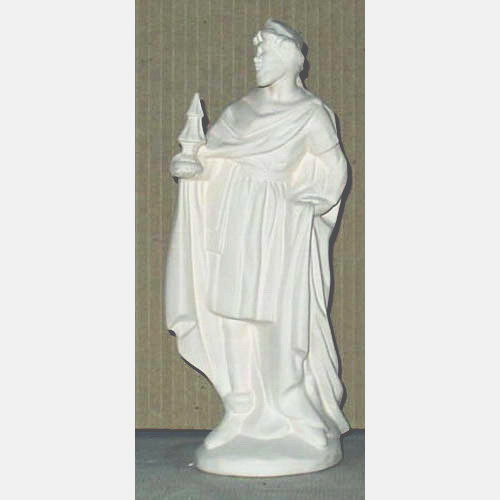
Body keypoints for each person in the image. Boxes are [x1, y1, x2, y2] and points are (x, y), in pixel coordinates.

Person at [166, 19, 350, 455]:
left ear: (288, 57)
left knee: (276, 317)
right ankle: (240, 408)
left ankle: (292, 408)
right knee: (230, 312)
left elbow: (334, 166)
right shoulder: (241, 110)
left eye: (264, 52)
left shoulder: (310, 113)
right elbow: (206, 156)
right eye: (256, 52)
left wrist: (317, 200)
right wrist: (187, 168)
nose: (256, 60)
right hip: (234, 219)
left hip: (278, 224)